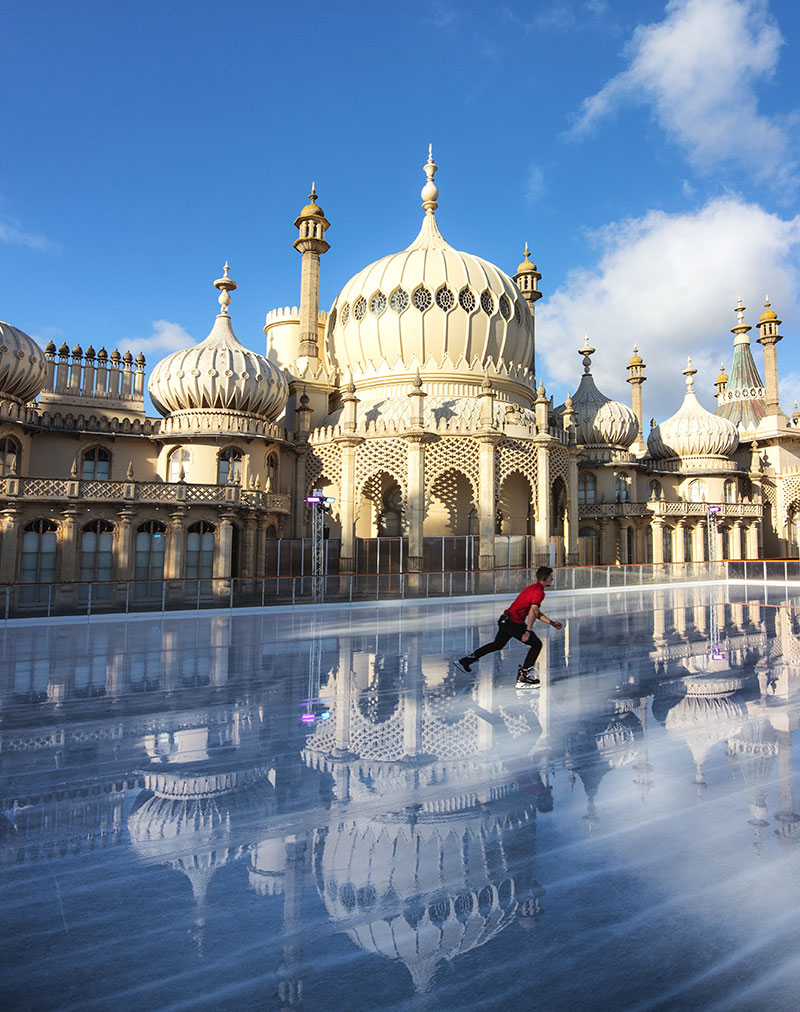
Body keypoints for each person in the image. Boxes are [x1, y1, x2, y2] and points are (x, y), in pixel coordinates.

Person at [456, 566, 563, 686]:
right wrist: (527, 631)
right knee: (536, 644)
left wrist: (551, 623)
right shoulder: (539, 592)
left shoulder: (533, 588)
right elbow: (533, 611)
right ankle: (523, 676)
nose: (552, 579)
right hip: (513, 623)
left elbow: (536, 612)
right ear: (545, 578)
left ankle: (466, 660)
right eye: (550, 577)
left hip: (505, 620)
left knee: (497, 644)